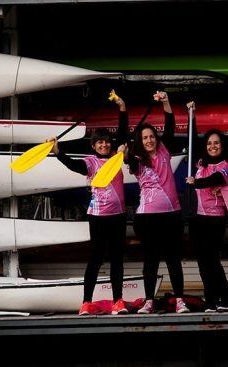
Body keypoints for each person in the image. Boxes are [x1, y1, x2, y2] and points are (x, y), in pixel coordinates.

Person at [50, 90, 129, 316]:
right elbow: (73, 166)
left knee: (116, 260)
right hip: (97, 216)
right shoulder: (90, 162)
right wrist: (58, 152)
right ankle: (86, 302)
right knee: (96, 258)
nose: (104, 145)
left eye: (106, 142)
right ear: (93, 146)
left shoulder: (117, 157)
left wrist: (122, 108)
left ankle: (118, 301)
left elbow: (123, 135)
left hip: (118, 215)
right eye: (99, 142)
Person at [126, 91, 189, 314]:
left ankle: (180, 300)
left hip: (172, 214)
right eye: (144, 138)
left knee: (173, 259)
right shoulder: (135, 158)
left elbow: (170, 124)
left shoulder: (164, 150)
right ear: (140, 142)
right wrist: (123, 109)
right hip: (146, 218)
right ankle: (149, 301)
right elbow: (124, 138)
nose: (149, 140)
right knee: (150, 260)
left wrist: (165, 102)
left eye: (152, 136)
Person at [184, 101, 228, 312]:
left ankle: (225, 296)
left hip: (215, 219)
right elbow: (192, 140)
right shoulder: (200, 163)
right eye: (210, 143)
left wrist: (196, 182)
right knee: (202, 262)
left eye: (217, 143)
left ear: (222, 146)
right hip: (197, 218)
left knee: (212, 259)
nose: (213, 146)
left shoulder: (225, 166)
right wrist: (191, 116)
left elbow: (216, 180)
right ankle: (210, 299)